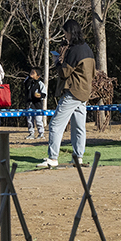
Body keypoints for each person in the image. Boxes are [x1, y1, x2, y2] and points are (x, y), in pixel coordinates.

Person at [38, 19, 94, 168]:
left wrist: (57, 60)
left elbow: (64, 72)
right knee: (79, 127)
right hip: (84, 91)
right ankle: (78, 157)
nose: (64, 36)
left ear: (70, 32)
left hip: (73, 91)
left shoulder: (75, 50)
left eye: (65, 33)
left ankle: (53, 158)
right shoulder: (87, 48)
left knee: (55, 124)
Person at [25, 67, 47, 140]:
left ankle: (41, 133)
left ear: (38, 76)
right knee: (29, 120)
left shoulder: (41, 84)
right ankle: (31, 133)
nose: (31, 74)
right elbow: (25, 85)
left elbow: (44, 95)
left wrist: (39, 95)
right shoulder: (28, 80)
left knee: (38, 120)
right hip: (29, 104)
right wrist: (29, 78)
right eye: (31, 72)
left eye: (33, 73)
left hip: (37, 105)